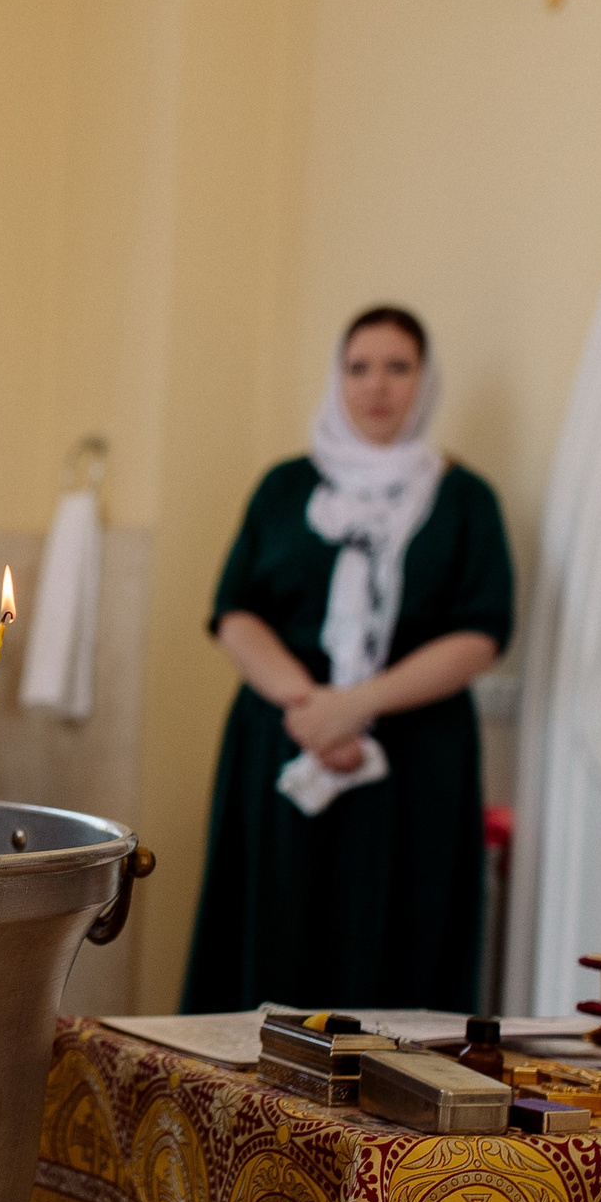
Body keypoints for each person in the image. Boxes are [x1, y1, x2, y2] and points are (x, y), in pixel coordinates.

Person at [180, 306, 511, 1014]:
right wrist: (310, 707)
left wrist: (353, 707)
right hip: (284, 737)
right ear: (339, 378)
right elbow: (236, 611)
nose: (377, 387)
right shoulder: (285, 487)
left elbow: (482, 631)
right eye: (359, 368)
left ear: (425, 380)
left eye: (398, 367)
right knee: (272, 931)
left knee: (402, 938)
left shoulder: (464, 499)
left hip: (412, 753)